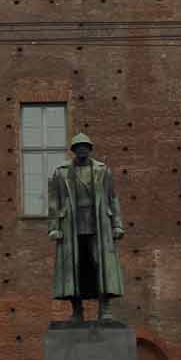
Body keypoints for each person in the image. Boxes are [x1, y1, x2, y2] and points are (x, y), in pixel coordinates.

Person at [45, 132, 126, 321]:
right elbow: (54, 202)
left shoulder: (103, 170)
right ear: (73, 150)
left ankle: (105, 308)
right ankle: (77, 310)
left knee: (100, 264)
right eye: (78, 147)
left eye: (85, 146)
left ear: (90, 149)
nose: (82, 149)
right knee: (75, 266)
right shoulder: (61, 172)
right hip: (70, 225)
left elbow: (112, 198)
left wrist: (117, 225)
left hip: (99, 223)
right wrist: (53, 227)